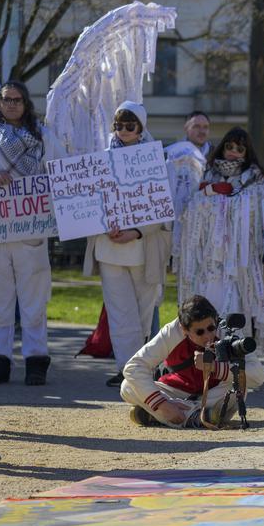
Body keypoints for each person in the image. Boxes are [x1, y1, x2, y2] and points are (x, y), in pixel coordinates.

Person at [0, 82, 64, 386]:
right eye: (6, 99)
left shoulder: (42, 136)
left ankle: (36, 362)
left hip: (30, 230)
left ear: (26, 103)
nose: (11, 104)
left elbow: (60, 171)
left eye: (17, 100)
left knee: (33, 302)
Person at [85, 101, 172, 387]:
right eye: (119, 125)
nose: (123, 131)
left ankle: (142, 366)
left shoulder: (157, 160)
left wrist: (135, 231)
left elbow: (163, 207)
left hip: (143, 248)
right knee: (119, 312)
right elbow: (87, 203)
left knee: (143, 312)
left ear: (141, 128)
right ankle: (126, 369)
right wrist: (103, 225)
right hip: (108, 247)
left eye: (130, 125)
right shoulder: (100, 160)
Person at [176, 127, 264, 338]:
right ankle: (204, 349)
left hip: (239, 261)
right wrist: (211, 191)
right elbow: (192, 209)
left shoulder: (255, 179)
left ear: (247, 153)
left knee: (234, 307)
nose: (233, 152)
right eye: (229, 146)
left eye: (240, 149)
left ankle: (233, 350)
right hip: (209, 258)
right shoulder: (208, 173)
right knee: (208, 303)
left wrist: (228, 200)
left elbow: (257, 214)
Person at [120, 294, 264, 429]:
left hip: (214, 395)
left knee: (239, 385)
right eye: (199, 332)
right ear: (184, 329)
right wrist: (163, 405)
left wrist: (214, 367)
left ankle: (161, 415)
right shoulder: (171, 332)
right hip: (176, 392)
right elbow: (134, 367)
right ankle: (196, 417)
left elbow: (258, 377)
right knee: (127, 386)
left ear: (215, 319)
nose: (207, 336)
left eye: (211, 328)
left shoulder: (228, 330)